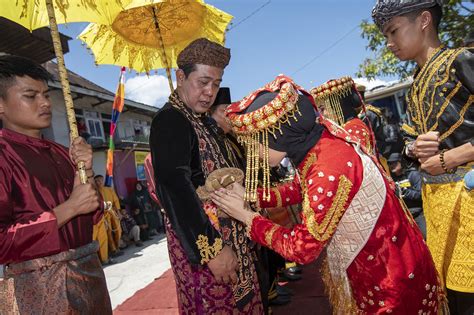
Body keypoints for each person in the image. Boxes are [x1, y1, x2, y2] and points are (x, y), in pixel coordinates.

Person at [211, 75, 443, 314]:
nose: (252, 152)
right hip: (383, 263)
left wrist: (248, 217)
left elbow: (301, 248)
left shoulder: (326, 167)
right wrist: (252, 197)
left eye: (255, 142)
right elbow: (301, 189)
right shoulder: (320, 144)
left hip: (387, 281)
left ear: (277, 133)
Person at [372, 1, 474, 313]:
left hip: (468, 197)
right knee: (454, 297)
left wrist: (452, 156)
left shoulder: (462, 60)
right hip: (438, 203)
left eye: (393, 31)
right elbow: (406, 143)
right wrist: (415, 148)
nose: (389, 43)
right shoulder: (417, 82)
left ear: (424, 21)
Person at [149, 38, 263, 314]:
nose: (210, 92)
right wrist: (212, 250)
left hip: (231, 242)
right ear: (180, 77)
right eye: (203, 82)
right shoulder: (171, 120)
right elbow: (175, 189)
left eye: (216, 83)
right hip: (209, 249)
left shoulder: (198, 121)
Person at [0, 55, 111, 313]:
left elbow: (90, 216)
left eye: (46, 95)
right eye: (31, 96)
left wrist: (85, 170)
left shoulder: (62, 153)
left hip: (89, 273)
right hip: (38, 287)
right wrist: (68, 209)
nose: (45, 103)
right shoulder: (4, 156)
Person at [387, 153, 426, 238]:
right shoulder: (392, 179)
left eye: (394, 162)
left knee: (426, 237)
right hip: (404, 218)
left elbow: (421, 195)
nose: (391, 165)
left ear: (401, 162)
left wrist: (405, 192)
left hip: (419, 215)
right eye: (390, 163)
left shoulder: (413, 174)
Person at [94, 175, 123, 261]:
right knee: (108, 232)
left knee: (118, 230)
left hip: (112, 212)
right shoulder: (96, 192)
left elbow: (116, 200)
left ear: (103, 180)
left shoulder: (109, 189)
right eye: (97, 181)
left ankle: (118, 246)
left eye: (100, 180)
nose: (99, 182)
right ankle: (113, 250)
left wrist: (118, 211)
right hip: (104, 214)